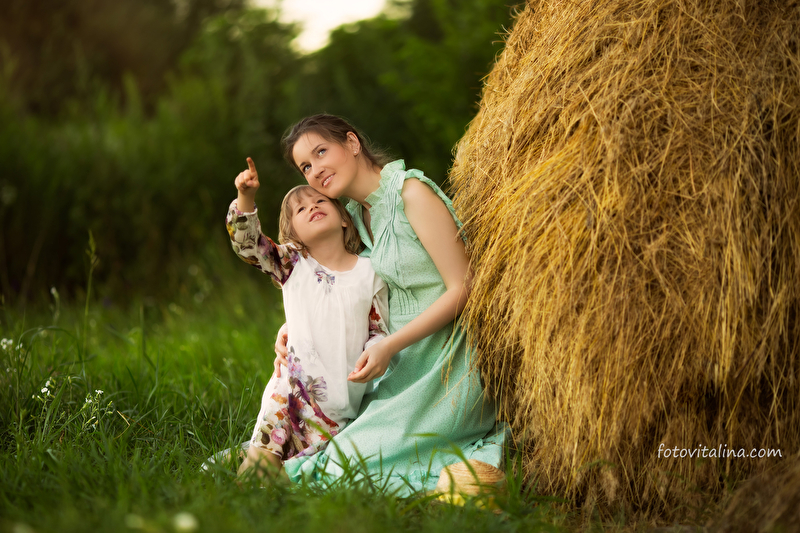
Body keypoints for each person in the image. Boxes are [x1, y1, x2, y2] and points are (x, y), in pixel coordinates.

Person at [274, 114, 506, 494]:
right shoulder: (351, 217)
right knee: (327, 457)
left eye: (321, 152)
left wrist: (390, 346)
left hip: (449, 362)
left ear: (352, 143)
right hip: (399, 365)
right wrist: (292, 330)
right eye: (305, 166)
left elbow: (463, 287)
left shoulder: (410, 193)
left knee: (331, 470)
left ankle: (471, 465)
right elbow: (340, 289)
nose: (315, 170)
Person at [226, 157, 390, 479]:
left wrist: (376, 351)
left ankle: (249, 465)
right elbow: (248, 246)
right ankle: (243, 486)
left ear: (344, 220)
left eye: (320, 201)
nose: (312, 206)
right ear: (295, 235)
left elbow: (377, 328)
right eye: (300, 209)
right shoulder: (292, 264)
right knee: (261, 465)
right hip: (289, 389)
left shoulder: (370, 272)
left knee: (298, 469)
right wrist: (245, 196)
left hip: (340, 405)